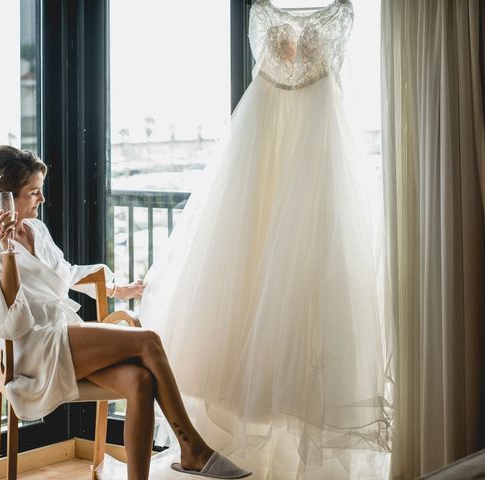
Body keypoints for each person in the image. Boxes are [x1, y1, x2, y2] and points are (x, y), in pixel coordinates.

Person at [139, 0, 393, 479]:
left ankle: (280, 446)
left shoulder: (334, 12)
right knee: (249, 289)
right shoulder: (264, 12)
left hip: (314, 155)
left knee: (306, 299)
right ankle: (234, 441)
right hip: (263, 156)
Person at [0, 145, 251, 480]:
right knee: (147, 340)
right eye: (34, 193)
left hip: (63, 336)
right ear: (8, 199)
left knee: (141, 380)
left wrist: (116, 288)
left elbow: (65, 273)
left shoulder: (37, 230)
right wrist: (9, 250)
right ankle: (193, 448)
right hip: (32, 349)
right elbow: (9, 319)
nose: (41, 200)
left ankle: (161, 468)